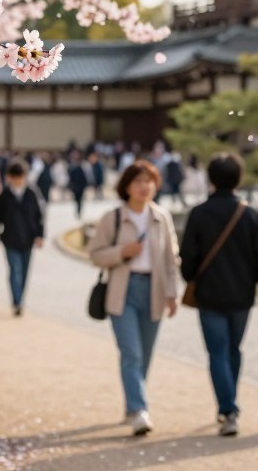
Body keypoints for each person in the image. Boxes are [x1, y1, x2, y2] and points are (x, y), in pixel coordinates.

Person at [179, 153, 258, 436]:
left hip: (209, 295)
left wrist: (191, 277)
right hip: (242, 295)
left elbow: (188, 258)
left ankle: (227, 408)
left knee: (217, 352)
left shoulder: (199, 214)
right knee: (234, 350)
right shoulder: (249, 214)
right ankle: (230, 403)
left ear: (211, 179)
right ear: (239, 178)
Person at [87, 160, 180, 437]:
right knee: (132, 353)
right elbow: (95, 254)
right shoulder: (113, 218)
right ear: (127, 186)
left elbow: (171, 259)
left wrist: (172, 293)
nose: (144, 186)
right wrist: (121, 252)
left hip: (154, 290)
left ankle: (132, 405)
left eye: (149, 181)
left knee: (146, 355)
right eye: (138, 181)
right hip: (122, 291)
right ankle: (139, 410)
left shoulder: (161, 217)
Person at [0, 159, 45, 316]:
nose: (18, 180)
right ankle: (16, 302)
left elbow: (39, 216)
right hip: (10, 240)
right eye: (15, 177)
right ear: (10, 178)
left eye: (20, 177)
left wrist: (40, 236)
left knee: (25, 272)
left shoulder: (32, 193)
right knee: (15, 270)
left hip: (28, 240)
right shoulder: (5, 195)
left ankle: (20, 299)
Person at [68, 150, 91, 219]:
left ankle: (79, 210)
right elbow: (70, 176)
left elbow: (86, 176)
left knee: (80, 199)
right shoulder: (72, 166)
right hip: (75, 185)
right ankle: (77, 210)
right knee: (76, 199)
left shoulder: (84, 165)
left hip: (81, 185)